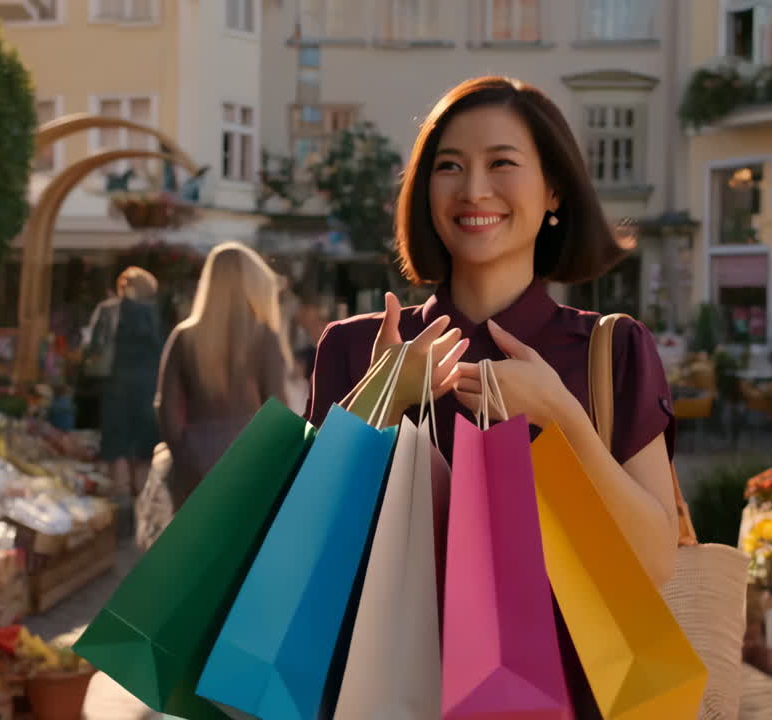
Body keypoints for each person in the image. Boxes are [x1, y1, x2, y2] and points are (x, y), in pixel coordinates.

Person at [303, 76, 679, 714]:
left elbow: (654, 562)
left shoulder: (611, 351)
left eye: (501, 162)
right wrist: (378, 400)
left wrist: (562, 414)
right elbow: (300, 551)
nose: (474, 189)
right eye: (449, 166)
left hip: (568, 700)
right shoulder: (353, 347)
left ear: (552, 188)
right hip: (382, 698)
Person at [151, 242, 295, 511]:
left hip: (194, 460)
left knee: (196, 548)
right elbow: (279, 410)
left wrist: (183, 455)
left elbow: (164, 407)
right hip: (252, 461)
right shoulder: (263, 337)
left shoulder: (184, 337)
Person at [98, 267, 163, 498]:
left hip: (117, 385)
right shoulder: (157, 314)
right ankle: (144, 501)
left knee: (118, 445)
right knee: (144, 449)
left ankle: (121, 498)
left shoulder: (109, 310)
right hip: (149, 387)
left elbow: (95, 349)